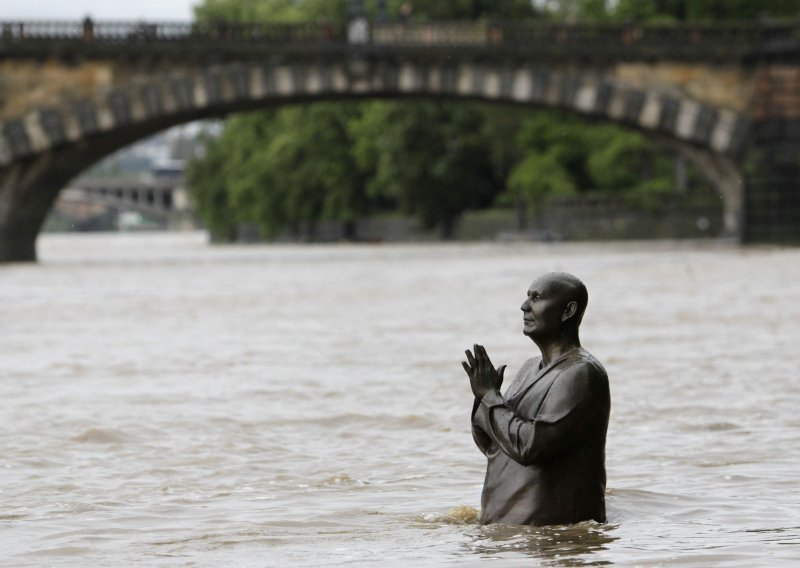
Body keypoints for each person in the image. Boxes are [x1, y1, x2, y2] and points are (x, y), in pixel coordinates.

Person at [462, 272, 610, 526]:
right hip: (510, 536)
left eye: (536, 297)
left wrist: (490, 397)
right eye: (527, 296)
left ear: (568, 311)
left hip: (553, 539)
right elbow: (493, 445)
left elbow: (530, 446)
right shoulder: (530, 368)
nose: (524, 306)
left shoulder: (580, 373)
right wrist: (482, 398)